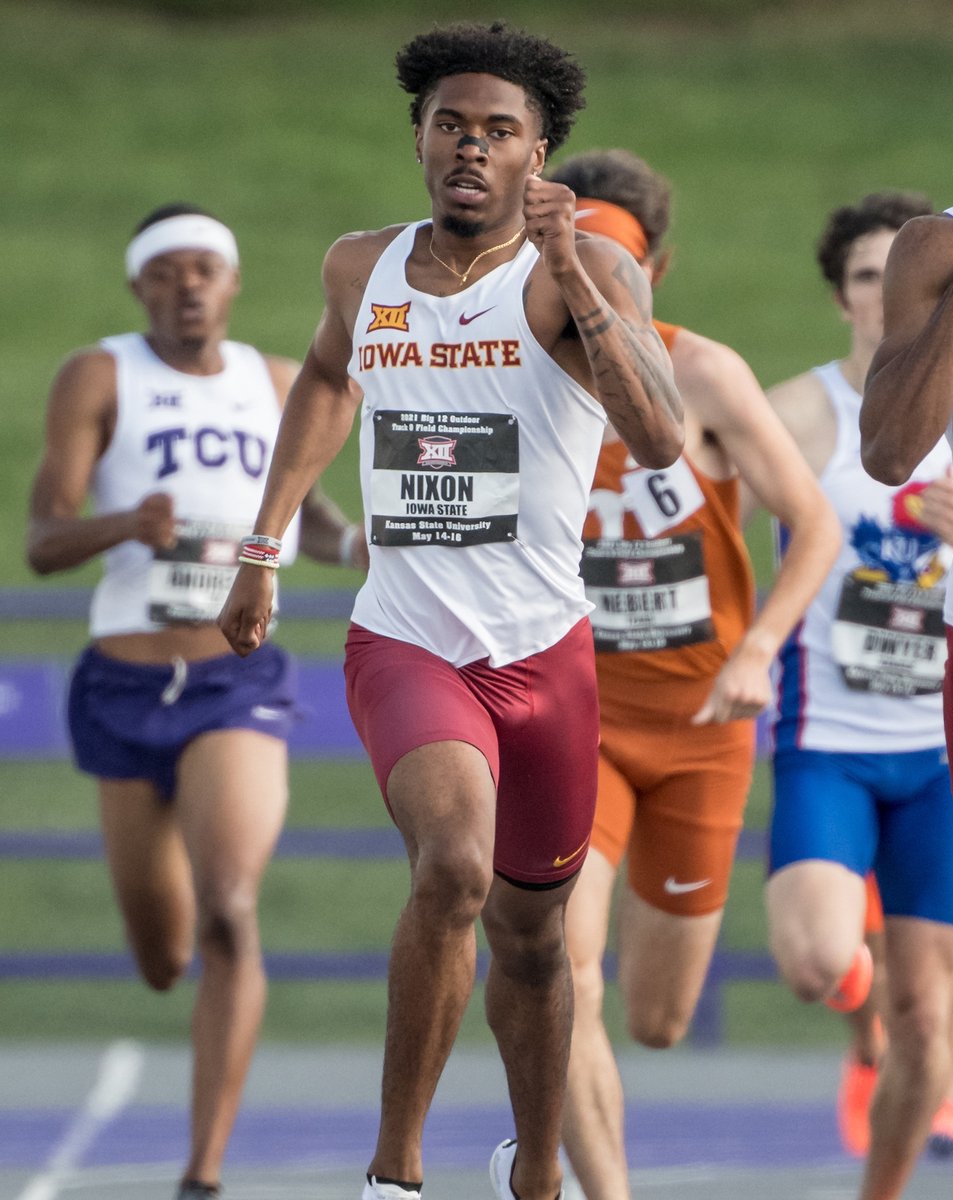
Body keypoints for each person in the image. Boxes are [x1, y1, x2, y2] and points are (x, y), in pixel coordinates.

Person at [217, 22, 684, 1200]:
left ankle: (533, 1173)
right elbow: (328, 378)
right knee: (455, 870)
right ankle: (396, 1173)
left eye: (501, 133)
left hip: (546, 654)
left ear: (540, 155)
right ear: (420, 138)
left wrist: (572, 269)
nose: (472, 148)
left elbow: (662, 434)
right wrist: (264, 547)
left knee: (534, 937)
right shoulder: (358, 268)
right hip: (408, 638)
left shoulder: (588, 275)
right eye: (451, 126)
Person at [25, 203, 365, 1200]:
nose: (188, 287)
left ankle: (203, 1174)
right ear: (141, 286)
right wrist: (126, 522)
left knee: (230, 911)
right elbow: (43, 540)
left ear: (232, 282)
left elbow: (306, 500)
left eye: (204, 270)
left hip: (234, 679)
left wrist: (351, 545)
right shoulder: (101, 376)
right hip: (125, 682)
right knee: (165, 955)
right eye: (167, 272)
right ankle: (178, 966)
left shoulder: (270, 380)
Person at [538, 149, 840, 1200]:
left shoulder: (703, 373)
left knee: (659, 1020)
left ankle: (855, 979)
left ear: (656, 270)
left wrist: (759, 647)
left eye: (619, 268)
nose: (598, 293)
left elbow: (816, 521)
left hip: (704, 723)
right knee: (560, 969)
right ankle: (600, 1188)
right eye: (578, 264)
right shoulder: (519, 373)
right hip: (574, 719)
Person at [765, 191, 953, 1200]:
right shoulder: (803, 412)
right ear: (844, 296)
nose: (891, 294)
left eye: (902, 273)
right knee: (814, 960)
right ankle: (861, 1018)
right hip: (828, 734)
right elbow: (685, 466)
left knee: (934, 1021)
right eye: (869, 279)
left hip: (938, 743)